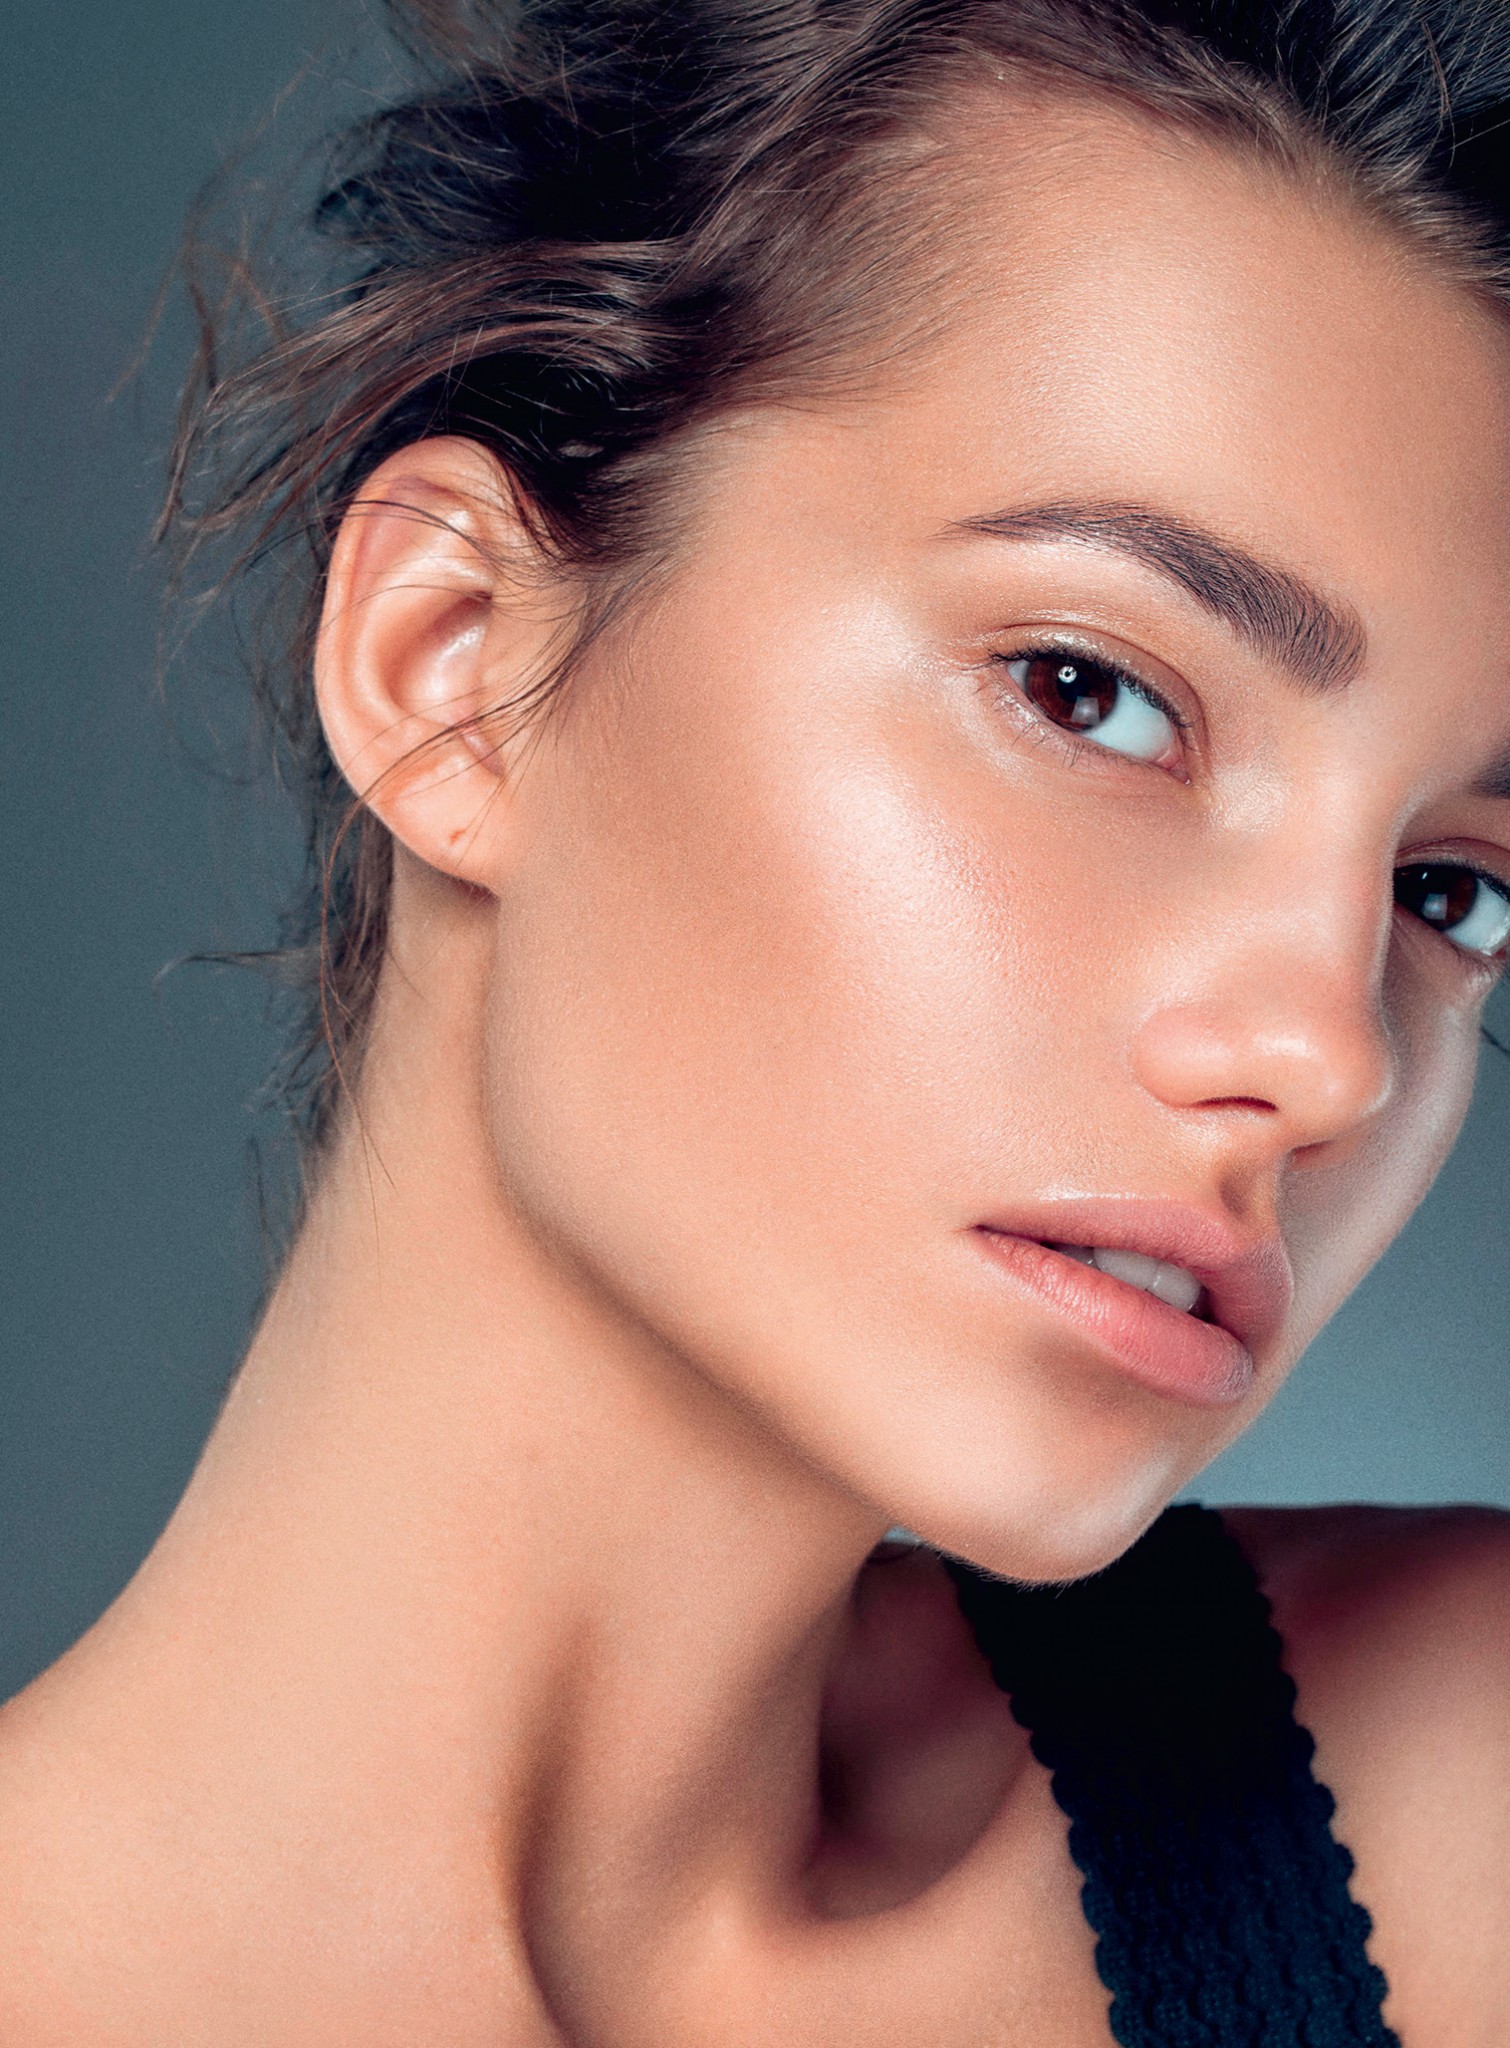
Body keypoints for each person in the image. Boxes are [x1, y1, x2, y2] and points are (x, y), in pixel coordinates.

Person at [1, 0, 1506, 2039]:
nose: (1329, 1056)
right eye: (1086, 692)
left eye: (1448, 890)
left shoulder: (1454, 1809)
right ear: (451, 664)